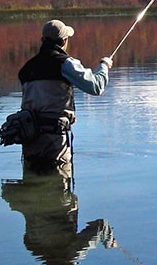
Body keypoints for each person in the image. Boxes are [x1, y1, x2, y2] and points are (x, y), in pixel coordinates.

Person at [18, 19, 112, 171]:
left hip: (29, 138)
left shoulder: (27, 68)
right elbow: (96, 87)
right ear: (64, 41)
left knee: (34, 179)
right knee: (59, 184)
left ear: (43, 40)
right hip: (54, 139)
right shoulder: (65, 63)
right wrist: (104, 66)